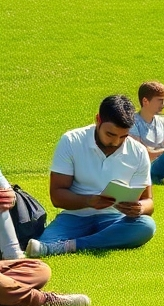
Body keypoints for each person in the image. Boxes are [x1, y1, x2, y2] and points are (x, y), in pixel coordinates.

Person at [26, 95, 156, 257]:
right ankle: (90, 241)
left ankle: (70, 245)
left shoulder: (138, 151)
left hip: (114, 220)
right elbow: (57, 196)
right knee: (46, 241)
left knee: (146, 225)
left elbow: (148, 201)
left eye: (123, 136)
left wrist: (139, 208)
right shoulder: (71, 141)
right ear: (98, 120)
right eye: (110, 134)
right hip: (74, 217)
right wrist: (89, 201)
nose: (116, 142)